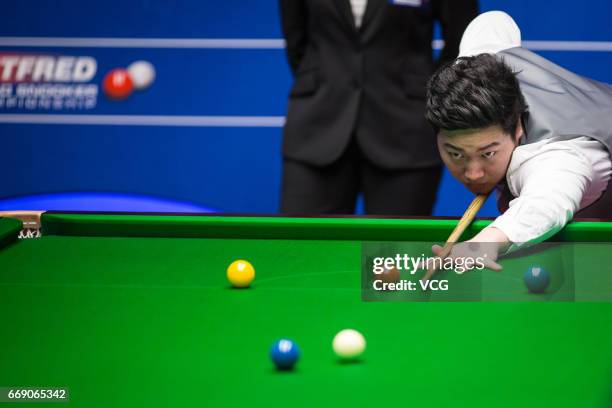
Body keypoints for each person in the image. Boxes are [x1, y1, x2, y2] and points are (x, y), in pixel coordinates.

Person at [424, 11, 612, 268]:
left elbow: (546, 203)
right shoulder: (479, 67)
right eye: (456, 154)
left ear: (517, 130)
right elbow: (493, 21)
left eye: (487, 153)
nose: (474, 173)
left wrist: (487, 241)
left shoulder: (557, 155)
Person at [278, 0, 478, 215]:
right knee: (306, 245)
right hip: (317, 126)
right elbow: (296, 39)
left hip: (406, 129)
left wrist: (432, 92)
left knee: (392, 249)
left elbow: (462, 39)